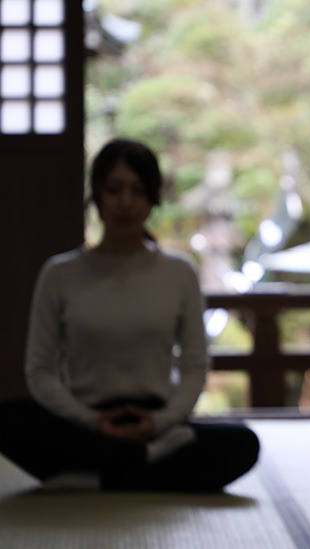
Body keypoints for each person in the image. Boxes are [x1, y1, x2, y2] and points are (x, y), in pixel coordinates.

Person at [0, 138, 259, 492]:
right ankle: (145, 464)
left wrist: (161, 421)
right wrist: (92, 421)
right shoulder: (59, 274)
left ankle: (100, 475)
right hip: (85, 420)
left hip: (156, 420)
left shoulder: (178, 272)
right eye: (114, 189)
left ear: (153, 198)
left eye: (138, 191)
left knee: (242, 443)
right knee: (8, 421)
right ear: (96, 196)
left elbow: (195, 364)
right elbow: (40, 371)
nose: (125, 202)